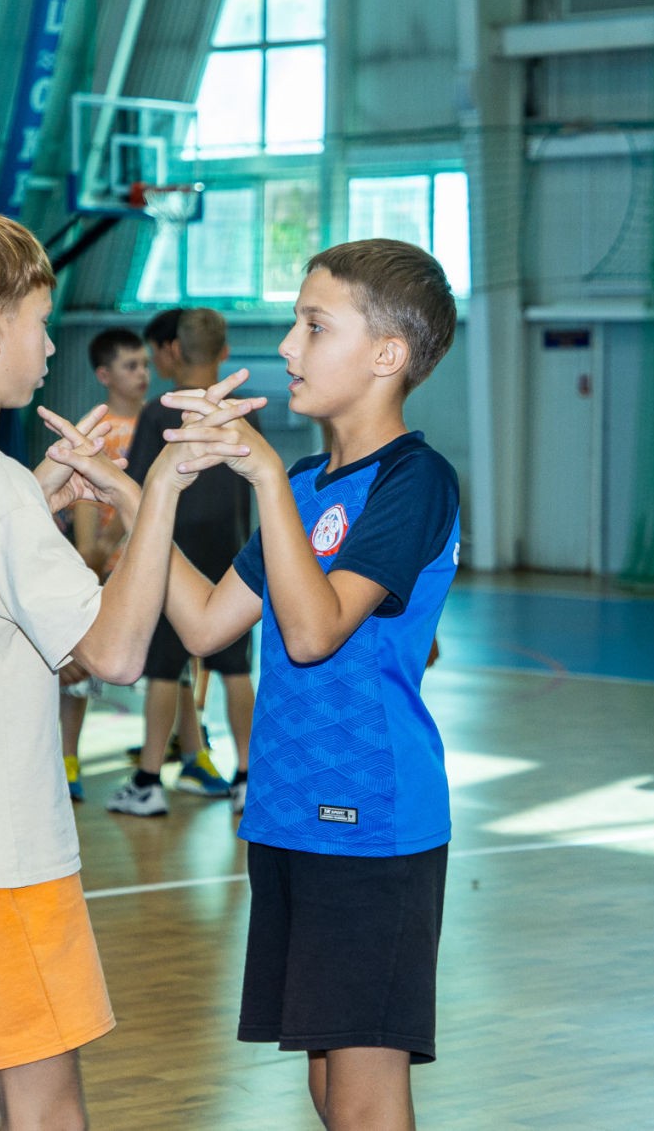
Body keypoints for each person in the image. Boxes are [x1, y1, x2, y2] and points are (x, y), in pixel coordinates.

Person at [0, 209, 255, 1127]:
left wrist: (36, 494)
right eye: (40, 323)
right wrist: (157, 494)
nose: (49, 346)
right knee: (48, 1111)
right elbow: (114, 652)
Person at [151, 239, 462, 1130]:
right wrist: (141, 498)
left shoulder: (414, 481)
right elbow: (206, 623)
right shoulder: (303, 482)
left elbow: (314, 629)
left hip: (373, 824)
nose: (288, 345)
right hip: (288, 815)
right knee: (330, 1090)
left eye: (314, 325)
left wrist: (258, 476)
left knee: (363, 1099)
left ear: (387, 355)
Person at [109, 307, 254, 817]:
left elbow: (139, 490)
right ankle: (246, 777)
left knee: (164, 670)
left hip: (174, 555)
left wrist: (119, 551)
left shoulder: (159, 411)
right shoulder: (242, 412)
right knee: (235, 668)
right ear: (224, 352)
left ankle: (149, 780)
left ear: (174, 350)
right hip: (231, 554)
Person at [59, 327, 149, 802]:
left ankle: (183, 748)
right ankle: (67, 760)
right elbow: (86, 502)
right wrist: (90, 553)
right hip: (103, 565)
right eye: (130, 366)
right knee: (81, 669)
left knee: (167, 668)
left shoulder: (158, 424)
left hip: (144, 564)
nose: (142, 374)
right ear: (104, 375)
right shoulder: (99, 431)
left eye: (145, 364)